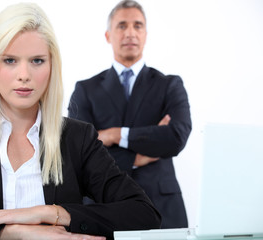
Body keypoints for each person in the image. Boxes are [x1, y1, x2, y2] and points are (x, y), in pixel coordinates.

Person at [0, 2, 161, 240]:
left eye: (37, 61)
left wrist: (51, 213)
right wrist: (10, 231)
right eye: (10, 61)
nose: (24, 75)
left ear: (52, 67)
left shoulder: (76, 138)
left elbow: (144, 214)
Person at [68, 0, 191, 228]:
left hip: (162, 204)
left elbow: (175, 137)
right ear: (108, 35)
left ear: (146, 34)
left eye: (138, 25)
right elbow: (78, 152)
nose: (130, 33)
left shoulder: (169, 85)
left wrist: (114, 135)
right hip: (104, 204)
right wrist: (139, 156)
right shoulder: (85, 89)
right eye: (122, 26)